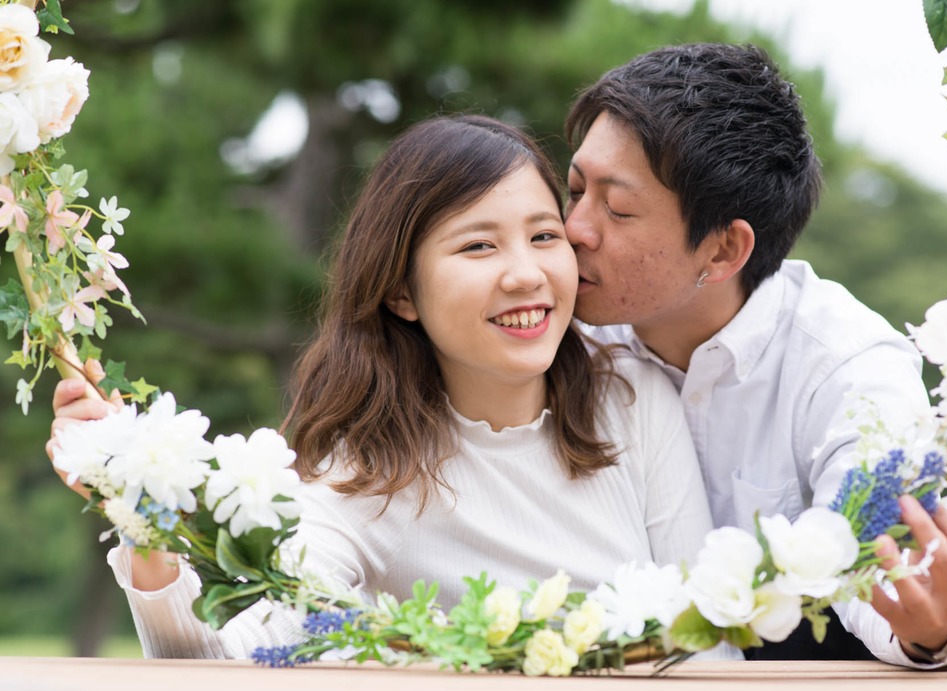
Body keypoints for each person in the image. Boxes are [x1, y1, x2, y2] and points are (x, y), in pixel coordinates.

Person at [48, 114, 716, 659]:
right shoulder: (364, 475)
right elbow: (224, 661)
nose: (525, 274)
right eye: (478, 247)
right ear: (401, 292)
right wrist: (140, 504)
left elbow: (706, 639)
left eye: (544, 236)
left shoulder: (632, 400)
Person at [563, 43, 947, 668]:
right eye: (574, 190)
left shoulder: (848, 367)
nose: (575, 228)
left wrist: (934, 631)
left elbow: (885, 575)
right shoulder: (554, 338)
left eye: (618, 209)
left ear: (723, 250)